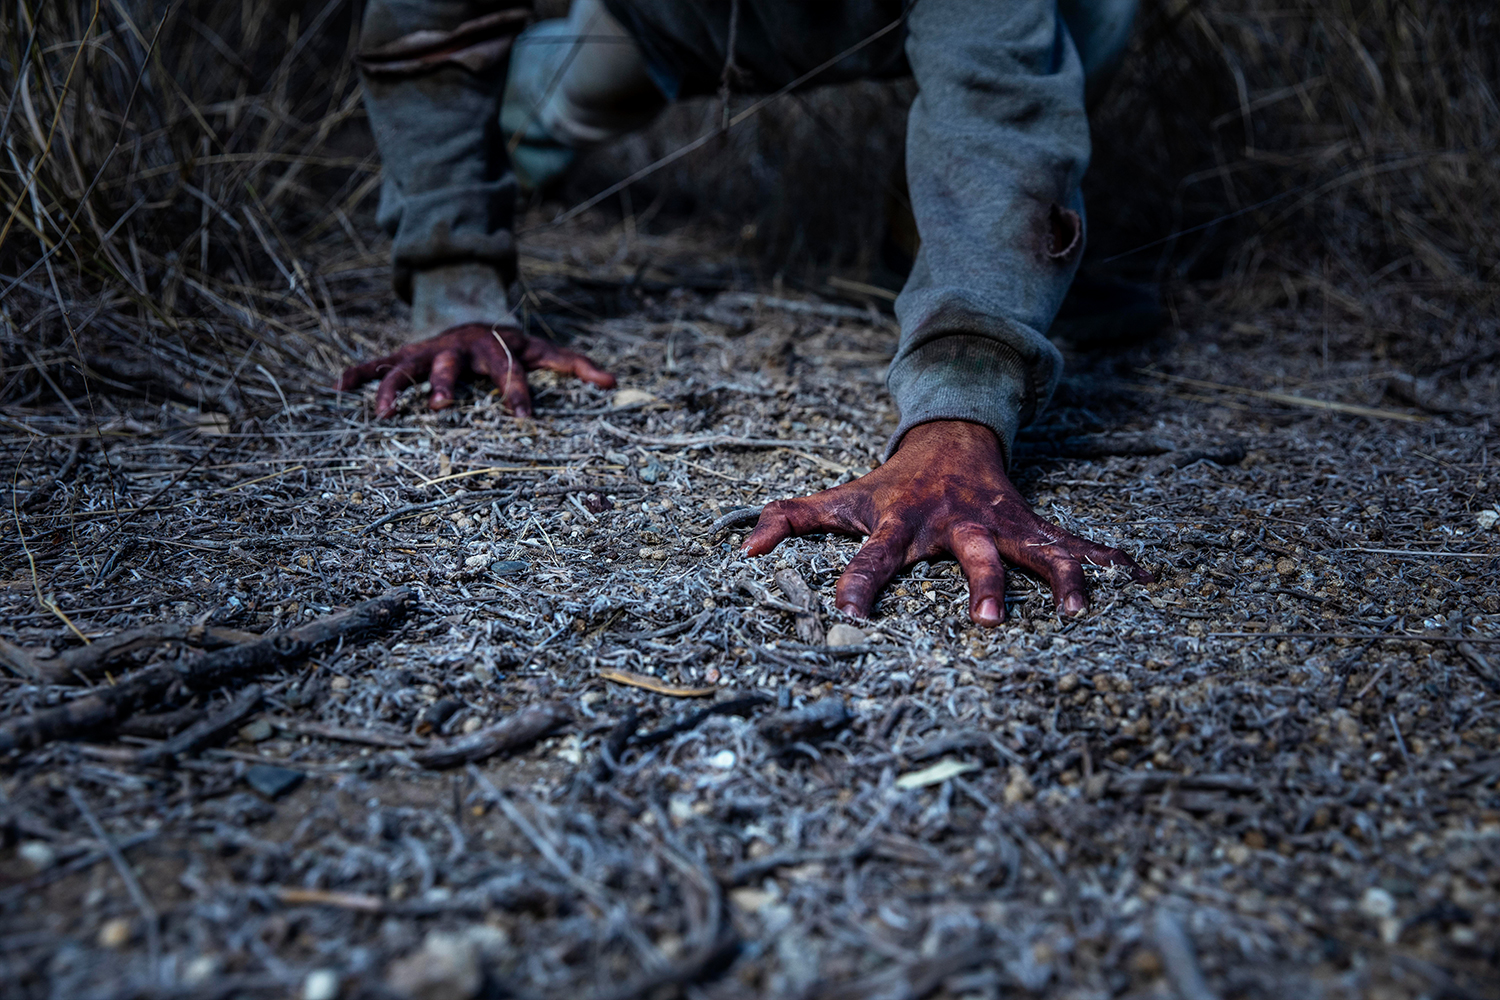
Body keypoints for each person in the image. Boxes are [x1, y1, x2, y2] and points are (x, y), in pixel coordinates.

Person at [340, 0, 1152, 628]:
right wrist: (459, 286)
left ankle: (925, 249)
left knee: (1085, 14)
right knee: (567, 100)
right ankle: (532, 144)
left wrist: (958, 417)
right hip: (662, 17)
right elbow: (432, 27)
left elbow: (1000, 103)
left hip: (886, 15)